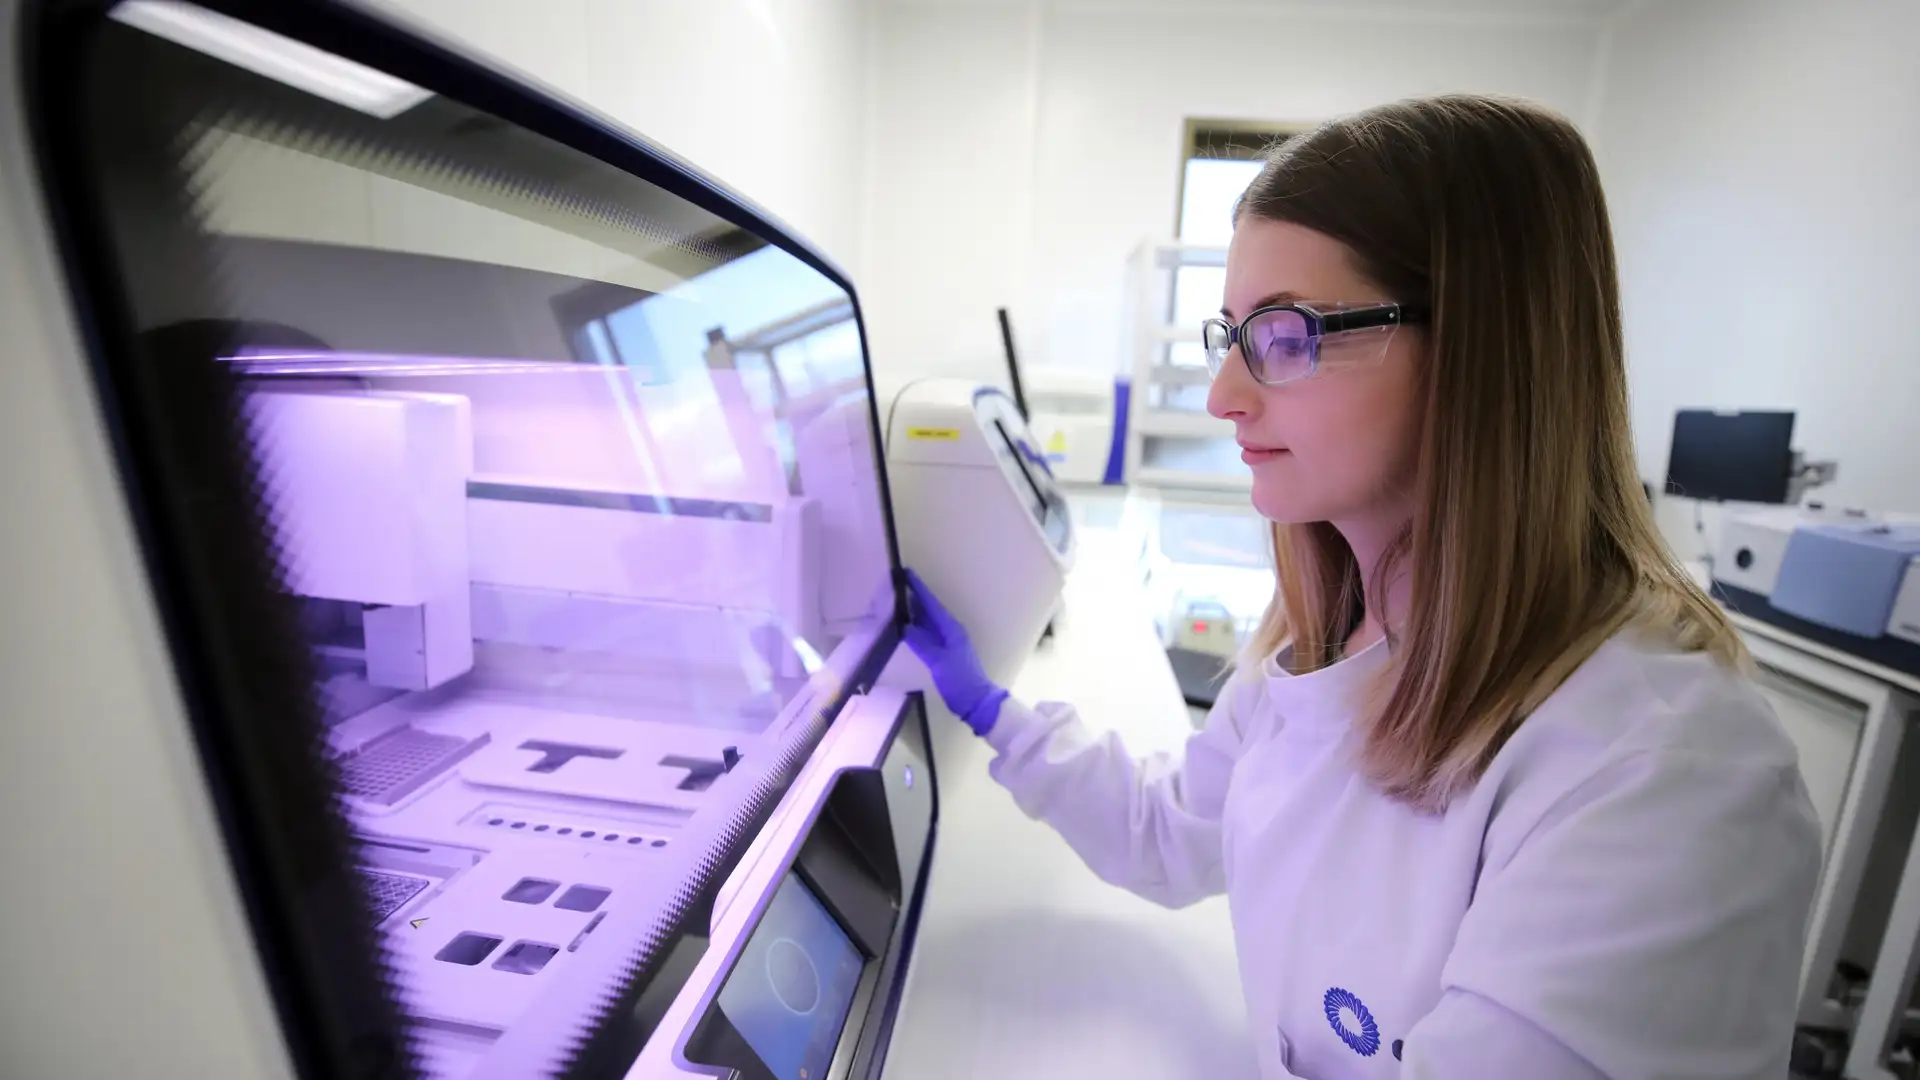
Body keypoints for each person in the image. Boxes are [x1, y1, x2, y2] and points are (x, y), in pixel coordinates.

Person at [903, 94, 1821, 1080]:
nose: (1223, 396)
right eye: (1231, 335)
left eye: (1286, 334)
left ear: (1478, 348)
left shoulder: (1665, 777)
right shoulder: (1326, 632)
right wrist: (993, 711)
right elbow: (1170, 832)